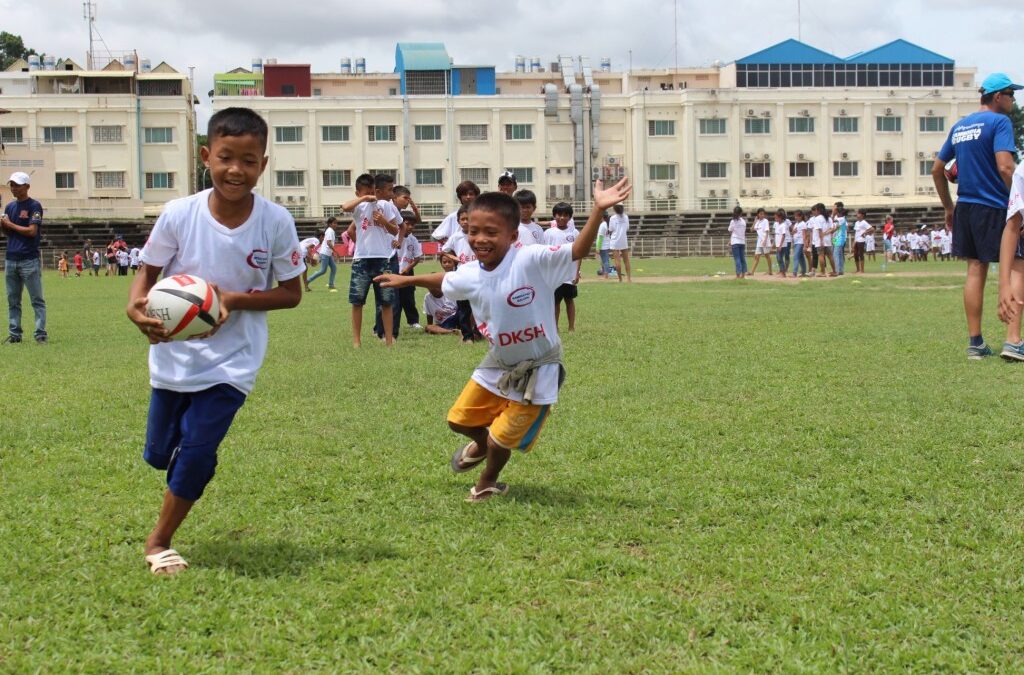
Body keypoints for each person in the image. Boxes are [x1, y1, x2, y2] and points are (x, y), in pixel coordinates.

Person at [124, 107, 304, 575]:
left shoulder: (276, 221)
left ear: (263, 164)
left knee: (198, 451)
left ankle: (159, 541)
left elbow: (291, 294)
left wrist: (232, 299)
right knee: (159, 454)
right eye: (226, 157)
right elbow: (147, 273)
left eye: (249, 160)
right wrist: (135, 306)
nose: (236, 170)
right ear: (207, 156)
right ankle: (188, 466)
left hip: (233, 362)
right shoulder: (179, 214)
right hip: (173, 358)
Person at [375, 178, 631, 502]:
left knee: (501, 439)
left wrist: (598, 209)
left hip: (539, 368)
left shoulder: (530, 259)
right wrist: (406, 279)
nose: (480, 239)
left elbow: (578, 250)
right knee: (459, 420)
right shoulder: (472, 270)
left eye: (491, 233)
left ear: (512, 236)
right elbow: (445, 279)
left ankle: (486, 483)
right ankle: (480, 446)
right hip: (498, 362)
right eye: (473, 232)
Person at [934, 72, 1021, 360]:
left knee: (975, 268)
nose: (1014, 99)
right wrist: (1019, 202)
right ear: (998, 97)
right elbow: (1006, 168)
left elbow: (937, 168)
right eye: (1011, 94)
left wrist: (948, 207)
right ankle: (1013, 340)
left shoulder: (960, 126)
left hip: (966, 207)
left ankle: (975, 343)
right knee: (1017, 264)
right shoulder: (1000, 122)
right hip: (995, 204)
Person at [342, 173, 400, 347]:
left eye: (372, 191)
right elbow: (345, 207)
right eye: (367, 192)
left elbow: (394, 230)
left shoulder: (385, 206)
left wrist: (383, 221)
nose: (371, 194)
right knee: (357, 301)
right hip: (362, 259)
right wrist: (364, 198)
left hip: (383, 258)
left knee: (387, 302)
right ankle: (356, 341)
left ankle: (389, 340)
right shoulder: (359, 207)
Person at [2, 172, 46, 344]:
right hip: (11, 258)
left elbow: (32, 231)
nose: (13, 188)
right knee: (13, 300)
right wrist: (3, 225)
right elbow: (7, 233)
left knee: (37, 299)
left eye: (17, 185)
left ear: (27, 186)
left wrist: (11, 224)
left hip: (29, 259)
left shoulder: (35, 206)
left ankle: (40, 333)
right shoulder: (9, 207)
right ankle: (15, 334)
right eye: (11, 185)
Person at [543, 202, 582, 331]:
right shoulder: (548, 233)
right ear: (554, 215)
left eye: (565, 215)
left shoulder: (574, 232)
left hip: (569, 274)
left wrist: (577, 272)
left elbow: (579, 254)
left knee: (569, 300)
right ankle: (555, 328)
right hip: (554, 274)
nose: (562, 217)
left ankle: (571, 327)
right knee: (555, 302)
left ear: (570, 217)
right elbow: (544, 253)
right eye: (559, 214)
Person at [395, 211, 423, 331]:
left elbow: (417, 258)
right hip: (394, 272)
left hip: (407, 273)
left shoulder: (413, 240)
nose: (410, 227)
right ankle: (389, 323)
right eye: (407, 224)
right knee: (393, 300)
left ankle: (413, 322)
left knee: (409, 299)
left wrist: (407, 268)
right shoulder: (393, 237)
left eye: (413, 224)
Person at [431, 180, 480, 245]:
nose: (468, 197)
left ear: (476, 196)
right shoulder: (453, 216)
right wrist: (451, 248)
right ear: (460, 197)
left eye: (471, 194)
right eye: (465, 194)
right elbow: (436, 236)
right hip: (457, 255)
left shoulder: (482, 215)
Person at [423, 254, 460, 335]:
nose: (432, 288)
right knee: (428, 327)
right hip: (443, 324)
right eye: (429, 286)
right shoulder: (427, 297)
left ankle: (455, 329)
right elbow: (429, 314)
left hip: (455, 318)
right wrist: (430, 326)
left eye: (434, 286)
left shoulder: (450, 292)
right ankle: (451, 332)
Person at [306, 216, 338, 291]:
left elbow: (328, 242)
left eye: (336, 223)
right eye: (334, 223)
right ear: (330, 224)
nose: (336, 224)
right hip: (325, 253)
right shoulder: (330, 231)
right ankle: (307, 280)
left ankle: (331, 284)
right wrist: (335, 251)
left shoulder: (330, 230)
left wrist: (332, 252)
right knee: (323, 270)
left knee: (334, 268)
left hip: (327, 253)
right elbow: (328, 242)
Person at [608, 204, 632, 282]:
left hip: (615, 240)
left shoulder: (613, 218)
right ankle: (628, 278)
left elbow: (611, 229)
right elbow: (627, 228)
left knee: (617, 261)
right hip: (623, 240)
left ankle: (620, 279)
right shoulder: (626, 217)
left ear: (614, 209)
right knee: (626, 260)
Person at [749, 208, 773, 275]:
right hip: (759, 241)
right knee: (756, 256)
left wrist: (765, 240)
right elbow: (751, 230)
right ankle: (752, 272)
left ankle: (770, 271)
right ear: (758, 214)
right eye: (760, 214)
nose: (762, 215)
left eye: (763, 214)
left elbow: (767, 231)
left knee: (767, 255)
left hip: (765, 240)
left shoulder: (765, 221)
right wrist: (754, 222)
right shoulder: (757, 221)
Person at [727, 206, 747, 279]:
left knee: (737, 259)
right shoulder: (743, 221)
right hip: (742, 242)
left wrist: (731, 239)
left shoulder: (733, 221)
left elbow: (730, 230)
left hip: (735, 242)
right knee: (742, 258)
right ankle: (743, 275)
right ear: (741, 213)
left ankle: (738, 275)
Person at [852, 210, 873, 274]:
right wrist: (854, 241)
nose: (857, 215)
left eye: (858, 214)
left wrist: (865, 232)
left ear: (862, 215)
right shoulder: (856, 223)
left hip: (861, 240)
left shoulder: (864, 222)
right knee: (855, 255)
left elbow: (872, 229)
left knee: (860, 254)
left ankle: (862, 270)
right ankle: (858, 269)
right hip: (856, 240)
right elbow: (856, 233)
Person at [773, 209, 791, 278]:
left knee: (780, 258)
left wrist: (780, 245)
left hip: (782, 245)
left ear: (780, 218)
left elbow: (783, 235)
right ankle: (782, 272)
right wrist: (774, 243)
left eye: (776, 217)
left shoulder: (783, 225)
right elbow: (777, 235)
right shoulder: (777, 224)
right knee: (778, 258)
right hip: (778, 244)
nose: (775, 218)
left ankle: (783, 273)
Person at [831, 202, 848, 276]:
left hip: (839, 238)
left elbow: (832, 223)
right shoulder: (840, 218)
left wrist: (828, 232)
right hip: (836, 237)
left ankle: (837, 271)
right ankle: (840, 270)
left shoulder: (840, 219)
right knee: (840, 254)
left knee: (836, 254)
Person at [595, 212, 613, 278]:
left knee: (605, 260)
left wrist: (598, 247)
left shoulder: (602, 225)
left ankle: (606, 275)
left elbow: (600, 237)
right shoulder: (607, 224)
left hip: (603, 245)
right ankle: (605, 273)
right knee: (605, 260)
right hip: (606, 244)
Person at [791, 210, 808, 277]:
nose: (796, 217)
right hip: (796, 242)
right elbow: (792, 233)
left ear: (801, 216)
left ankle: (794, 272)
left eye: (797, 216)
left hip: (800, 242)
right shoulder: (796, 224)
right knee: (801, 257)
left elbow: (804, 235)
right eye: (795, 216)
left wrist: (804, 244)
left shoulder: (803, 224)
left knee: (796, 257)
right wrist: (793, 231)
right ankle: (803, 271)